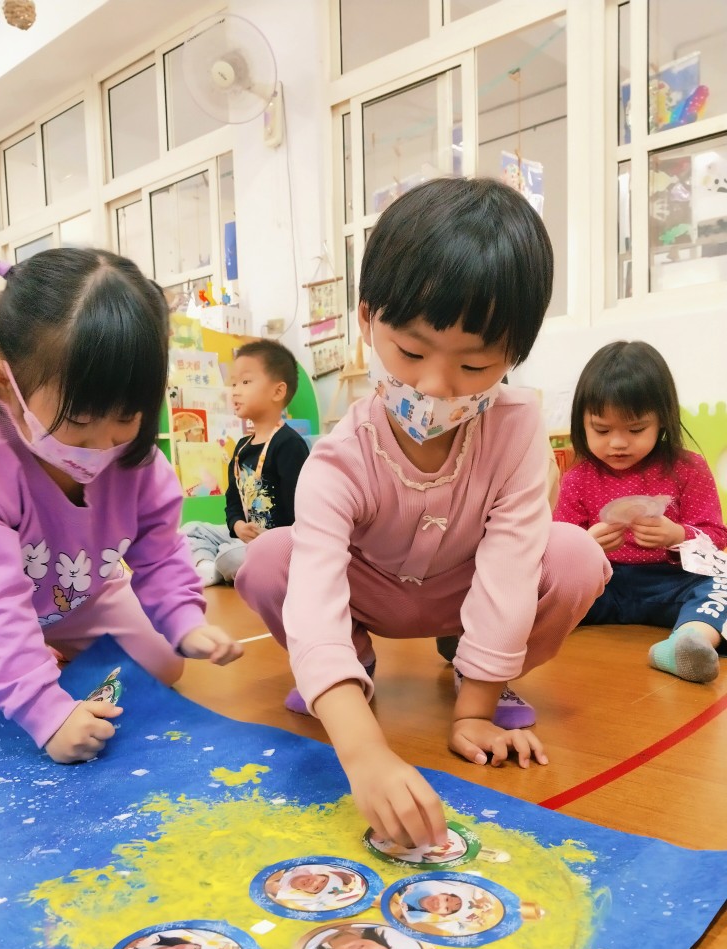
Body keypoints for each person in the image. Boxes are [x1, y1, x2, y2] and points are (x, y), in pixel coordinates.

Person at [236, 177, 609, 848]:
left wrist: (475, 712)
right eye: (410, 352)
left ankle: (475, 667)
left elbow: (511, 565)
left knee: (576, 556)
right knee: (266, 561)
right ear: (365, 318)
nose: (435, 386)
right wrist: (363, 751)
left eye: (476, 365)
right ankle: (352, 670)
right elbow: (314, 598)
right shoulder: (340, 457)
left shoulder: (518, 427)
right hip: (371, 593)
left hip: (465, 590)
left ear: (513, 356)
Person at [0, 249, 242, 762]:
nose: (104, 444)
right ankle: (17, 663)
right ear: (4, 383)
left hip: (74, 591)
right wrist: (46, 712)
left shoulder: (136, 459)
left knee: (164, 662)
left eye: (127, 416)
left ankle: (33, 655)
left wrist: (184, 619)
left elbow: (161, 551)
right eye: (78, 419)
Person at [554, 340, 727, 683]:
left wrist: (678, 535)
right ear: (582, 423)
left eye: (635, 430)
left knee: (723, 581)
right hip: (603, 586)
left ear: (662, 420)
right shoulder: (578, 477)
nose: (618, 443)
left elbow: (716, 537)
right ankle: (492, 639)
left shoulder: (688, 468)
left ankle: (687, 642)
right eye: (601, 430)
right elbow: (557, 549)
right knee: (539, 584)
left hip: (674, 584)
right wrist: (585, 544)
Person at [182, 339, 310, 585]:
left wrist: (270, 539)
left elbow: (300, 512)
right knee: (190, 531)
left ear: (277, 392)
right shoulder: (241, 447)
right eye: (233, 384)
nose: (235, 391)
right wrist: (238, 525)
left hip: (277, 544)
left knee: (231, 555)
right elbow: (232, 503)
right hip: (243, 539)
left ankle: (216, 565)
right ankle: (211, 567)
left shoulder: (289, 445)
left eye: (246, 382)